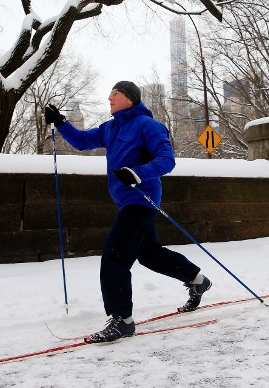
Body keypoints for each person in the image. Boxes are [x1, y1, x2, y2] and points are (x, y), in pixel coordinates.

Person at [44, 81, 212, 343]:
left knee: (115, 256)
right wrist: (61, 122)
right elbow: (82, 141)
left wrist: (137, 173)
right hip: (126, 202)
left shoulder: (148, 125)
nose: (109, 96)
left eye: (116, 93)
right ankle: (197, 279)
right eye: (110, 92)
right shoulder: (110, 127)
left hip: (142, 199)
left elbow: (167, 160)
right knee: (150, 254)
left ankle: (122, 320)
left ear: (131, 99)